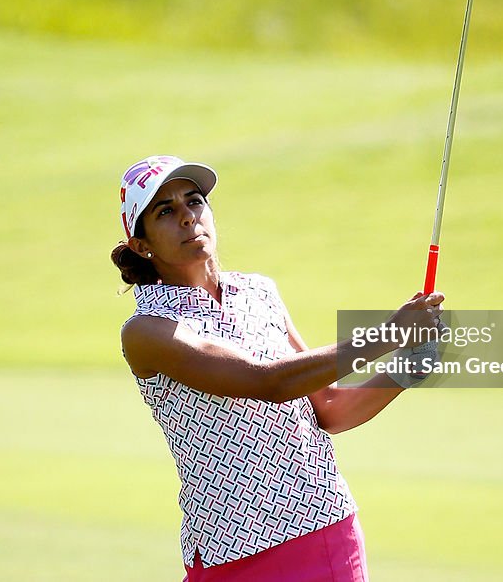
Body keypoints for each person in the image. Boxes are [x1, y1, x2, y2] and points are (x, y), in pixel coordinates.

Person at [111, 155, 444, 581]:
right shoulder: (148, 331)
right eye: (165, 211)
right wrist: (387, 335)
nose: (188, 217)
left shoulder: (259, 292)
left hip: (326, 529)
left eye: (194, 202)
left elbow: (329, 408)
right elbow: (266, 381)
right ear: (142, 246)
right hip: (231, 553)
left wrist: (407, 371)